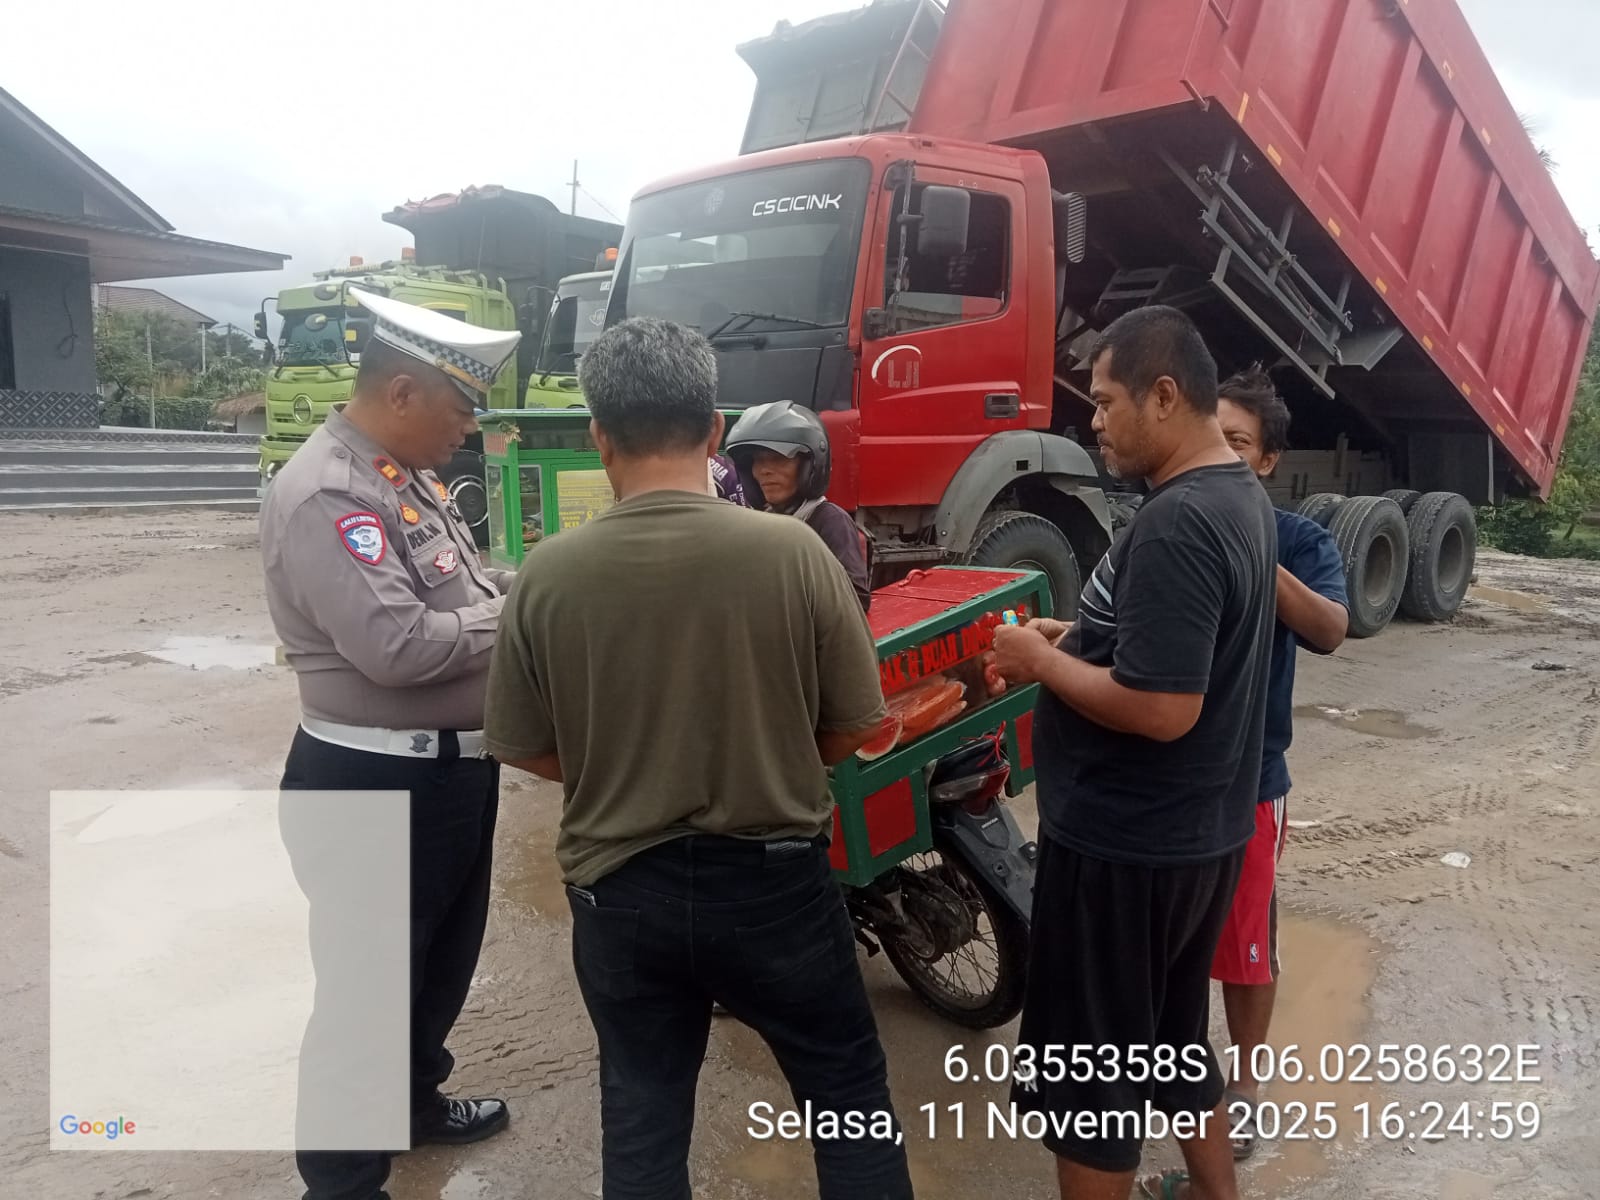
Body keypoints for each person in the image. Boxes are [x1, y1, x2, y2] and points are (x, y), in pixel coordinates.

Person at [484, 318, 913, 1200]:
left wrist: (621, 765)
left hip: (620, 893)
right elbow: (852, 727)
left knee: (643, 1120)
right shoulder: (794, 553)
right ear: (715, 431)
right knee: (847, 1102)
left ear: (599, 435)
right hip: (776, 890)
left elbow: (526, 746)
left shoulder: (548, 574)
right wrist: (767, 753)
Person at [991, 306, 1276, 1200]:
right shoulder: (1235, 495)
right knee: (1174, 1045)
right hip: (1195, 837)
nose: (1096, 421)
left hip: (1127, 849)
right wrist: (1078, 641)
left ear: (1164, 394)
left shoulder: (1180, 522)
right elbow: (1174, 647)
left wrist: (1040, 663)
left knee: (1091, 1091)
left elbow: (1163, 707)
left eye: (1107, 400)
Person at [261, 288, 519, 1200]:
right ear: (402, 392)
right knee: (364, 999)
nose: (468, 427)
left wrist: (526, 587)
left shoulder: (403, 478)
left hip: (446, 776)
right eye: (461, 406)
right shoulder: (331, 491)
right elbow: (398, 646)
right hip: (375, 783)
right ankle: (341, 1182)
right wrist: (522, 613)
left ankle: (411, 1102)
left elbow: (470, 586)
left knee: (438, 962)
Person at [1211, 368, 1348, 1158]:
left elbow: (1331, 629)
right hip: (1166, 778)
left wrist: (1254, 553)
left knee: (1247, 946)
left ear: (1266, 461)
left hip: (1250, 781)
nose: (1223, 455)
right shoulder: (1168, 523)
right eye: (1212, 438)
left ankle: (1246, 1088)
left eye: (1238, 443)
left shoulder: (1299, 540)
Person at [725, 400, 872, 610]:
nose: (764, 470)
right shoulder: (758, 521)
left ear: (809, 466)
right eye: (757, 460)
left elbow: (856, 598)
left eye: (777, 458)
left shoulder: (829, 521)